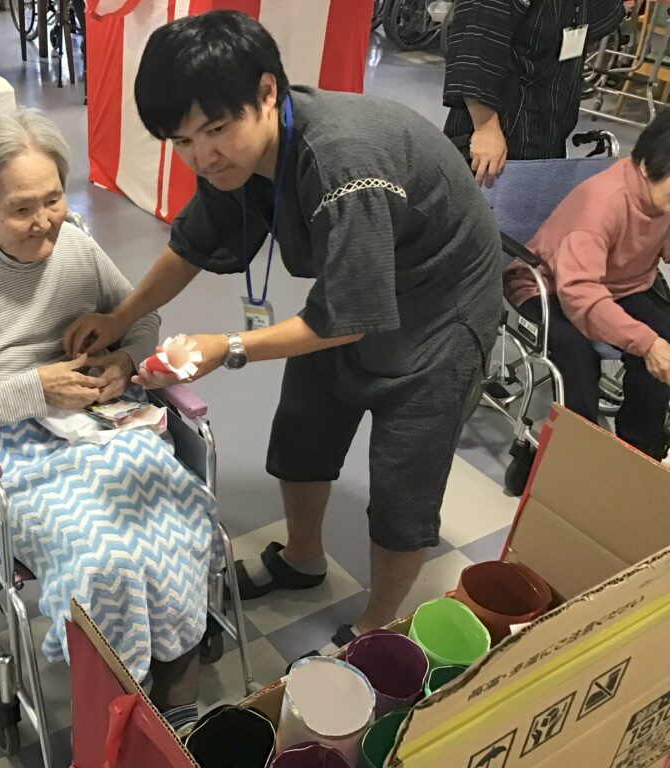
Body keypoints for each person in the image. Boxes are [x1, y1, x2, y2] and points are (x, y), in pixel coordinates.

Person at [64, 11, 503, 649]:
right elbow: (191, 246)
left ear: (267, 91)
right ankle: (302, 558)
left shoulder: (343, 163)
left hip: (441, 313)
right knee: (303, 428)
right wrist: (119, 318)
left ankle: (374, 628)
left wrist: (227, 347)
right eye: (182, 141)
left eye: (215, 130)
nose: (202, 156)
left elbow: (347, 320)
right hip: (355, 290)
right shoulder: (238, 158)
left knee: (403, 484)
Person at [0, 110, 218, 732]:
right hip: (11, 442)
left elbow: (141, 316)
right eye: (22, 209)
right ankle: (119, 697)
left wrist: (124, 360)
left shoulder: (75, 244)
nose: (46, 220)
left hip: (103, 419)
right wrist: (34, 389)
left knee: (178, 517)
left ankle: (177, 689)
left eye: (53, 198)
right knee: (104, 561)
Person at [505, 110, 670, 460]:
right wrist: (645, 343)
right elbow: (580, 295)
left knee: (665, 338)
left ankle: (640, 452)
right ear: (646, 168)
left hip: (619, 284)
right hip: (548, 285)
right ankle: (575, 457)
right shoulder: (602, 204)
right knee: (576, 353)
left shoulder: (661, 195)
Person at [443, 0, 625, 186]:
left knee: (538, 195)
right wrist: (485, 127)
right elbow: (475, 40)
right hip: (501, 122)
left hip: (549, 119)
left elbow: (585, 21)